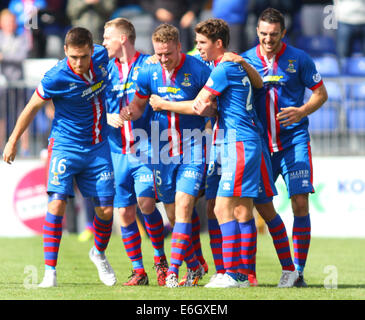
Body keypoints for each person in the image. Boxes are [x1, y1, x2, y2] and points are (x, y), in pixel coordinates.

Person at [3, 27, 117, 288]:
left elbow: (124, 50)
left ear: (92, 50)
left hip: (98, 147)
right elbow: (31, 107)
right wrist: (12, 141)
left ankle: (98, 253)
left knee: (106, 210)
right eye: (74, 57)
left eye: (84, 56)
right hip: (65, 146)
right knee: (56, 204)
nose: (79, 63)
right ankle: (49, 273)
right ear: (65, 51)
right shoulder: (55, 76)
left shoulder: (102, 56)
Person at [119, 23, 212, 287]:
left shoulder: (197, 70)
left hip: (192, 148)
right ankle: (195, 266)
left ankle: (172, 270)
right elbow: (138, 106)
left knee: (183, 209)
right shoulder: (148, 71)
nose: (163, 59)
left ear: (179, 47)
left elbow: (209, 108)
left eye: (168, 54)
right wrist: (129, 112)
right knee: (173, 214)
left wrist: (166, 104)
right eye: (159, 54)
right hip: (162, 150)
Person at [242, 7, 328, 287]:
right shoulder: (245, 60)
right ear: (257, 32)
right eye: (264, 34)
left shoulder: (299, 59)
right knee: (254, 208)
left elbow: (321, 94)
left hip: (293, 141)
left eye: (274, 35)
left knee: (300, 201)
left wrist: (302, 111)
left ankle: (298, 272)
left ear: (283, 33)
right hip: (260, 145)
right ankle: (249, 273)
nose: (268, 39)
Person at [102, 17, 169, 286]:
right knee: (125, 213)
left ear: (123, 39)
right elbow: (92, 104)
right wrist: (107, 116)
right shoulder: (104, 70)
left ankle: (160, 261)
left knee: (146, 203)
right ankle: (138, 271)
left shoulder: (149, 64)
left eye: (107, 37)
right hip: (116, 150)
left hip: (146, 147)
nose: (103, 42)